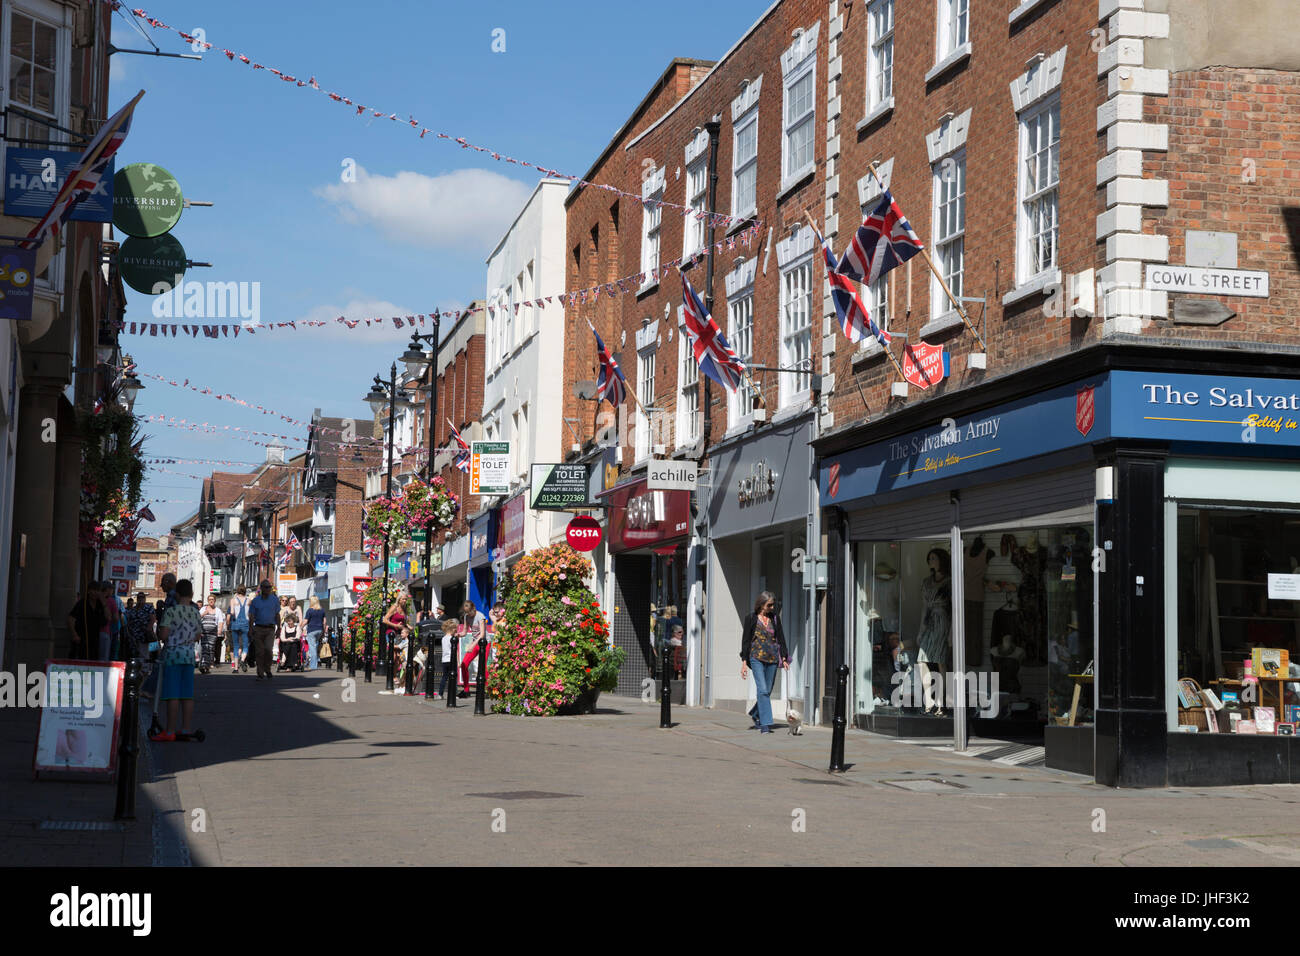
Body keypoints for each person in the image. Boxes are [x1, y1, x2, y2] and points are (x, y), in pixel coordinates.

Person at [151, 579, 202, 742]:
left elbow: (164, 635)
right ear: (192, 594)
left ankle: (170, 730)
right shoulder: (195, 612)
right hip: (188, 656)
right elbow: (198, 635)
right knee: (187, 695)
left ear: (177, 594)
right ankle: (186, 728)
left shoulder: (171, 612)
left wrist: (162, 634)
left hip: (173, 655)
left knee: (172, 694)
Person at [740, 591, 790, 734]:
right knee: (762, 690)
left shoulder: (774, 619)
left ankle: (756, 714)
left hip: (773, 659)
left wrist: (784, 657)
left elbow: (781, 638)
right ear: (762, 605)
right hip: (756, 658)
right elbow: (745, 641)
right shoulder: (751, 618)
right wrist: (744, 662)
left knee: (767, 691)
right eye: (770, 605)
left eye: (773, 605)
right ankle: (765, 723)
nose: (772, 607)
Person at [248, 580, 281, 681]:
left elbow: (277, 615)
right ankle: (260, 672)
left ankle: (267, 668)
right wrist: (250, 629)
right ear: (261, 588)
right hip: (258, 628)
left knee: (268, 650)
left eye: (269, 587)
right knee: (259, 652)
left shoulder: (275, 600)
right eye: (266, 587)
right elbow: (251, 616)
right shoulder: (255, 601)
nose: (268, 589)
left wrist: (279, 628)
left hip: (270, 629)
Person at [457, 600, 492, 695]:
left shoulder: (480, 616)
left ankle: (488, 689)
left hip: (484, 643)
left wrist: (472, 645)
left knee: (482, 666)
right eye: (466, 612)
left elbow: (482, 634)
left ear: (473, 608)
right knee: (464, 664)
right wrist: (458, 635)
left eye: (469, 612)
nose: (468, 614)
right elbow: (464, 632)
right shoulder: (466, 617)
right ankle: (466, 689)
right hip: (475, 642)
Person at [66, 585, 107, 660]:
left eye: (97, 591)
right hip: (81, 639)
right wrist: (74, 634)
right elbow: (70, 619)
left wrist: (104, 604)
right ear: (88, 591)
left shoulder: (100, 605)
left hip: (94, 641)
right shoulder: (82, 603)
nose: (95, 593)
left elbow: (109, 618)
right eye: (93, 590)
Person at [382, 589, 409, 675]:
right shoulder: (394, 607)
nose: (404, 601)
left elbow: (404, 622)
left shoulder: (405, 609)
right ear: (399, 599)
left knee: (399, 658)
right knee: (393, 656)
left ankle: (393, 676)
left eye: (406, 599)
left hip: (400, 634)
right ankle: (390, 675)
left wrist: (408, 626)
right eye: (403, 599)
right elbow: (384, 620)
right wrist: (395, 626)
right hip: (391, 633)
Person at [124, 591, 156, 661]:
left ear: (145, 598)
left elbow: (153, 619)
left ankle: (145, 670)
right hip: (134, 637)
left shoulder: (149, 607)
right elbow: (128, 622)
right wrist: (128, 633)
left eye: (142, 597)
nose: (140, 599)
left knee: (146, 655)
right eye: (139, 597)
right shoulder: (133, 610)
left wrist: (148, 630)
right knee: (135, 656)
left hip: (145, 636)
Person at [227, 586, 251, 673]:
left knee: (236, 646)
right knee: (245, 645)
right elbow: (250, 614)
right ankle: (243, 659)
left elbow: (232, 612)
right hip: (245, 624)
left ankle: (236, 668)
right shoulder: (248, 600)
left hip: (235, 624)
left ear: (237, 591)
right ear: (245, 591)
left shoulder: (233, 600)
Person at [198, 594, 223, 673]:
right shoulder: (203, 609)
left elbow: (220, 621)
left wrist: (219, 631)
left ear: (215, 600)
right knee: (205, 647)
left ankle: (207, 665)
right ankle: (203, 664)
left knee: (211, 648)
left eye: (212, 599)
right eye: (209, 599)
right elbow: (197, 618)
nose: (211, 601)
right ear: (208, 601)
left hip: (213, 633)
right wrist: (204, 614)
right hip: (204, 632)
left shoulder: (218, 610)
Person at [436, 617, 459, 699]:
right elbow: (454, 651)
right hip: (451, 660)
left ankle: (440, 694)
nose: (456, 630)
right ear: (452, 629)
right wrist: (458, 662)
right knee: (453, 678)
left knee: (444, 677)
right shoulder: (452, 639)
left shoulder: (443, 638)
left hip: (444, 660)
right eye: (455, 629)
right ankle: (453, 694)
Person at [303, 596, 326, 671]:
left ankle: (313, 666)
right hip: (319, 630)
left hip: (312, 630)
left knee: (312, 648)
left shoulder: (310, 610)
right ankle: (315, 663)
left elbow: (306, 621)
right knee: (315, 647)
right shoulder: (322, 610)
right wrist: (324, 631)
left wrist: (300, 627)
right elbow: (324, 622)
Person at [281, 596, 302, 671]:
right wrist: (280, 627)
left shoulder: (298, 608)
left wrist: (299, 629)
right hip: (286, 630)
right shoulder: (285, 609)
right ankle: (290, 663)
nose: (293, 603)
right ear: (288, 602)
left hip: (295, 629)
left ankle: (286, 662)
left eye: (294, 601)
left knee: (293, 645)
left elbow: (301, 619)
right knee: (288, 644)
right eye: (291, 601)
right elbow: (280, 618)